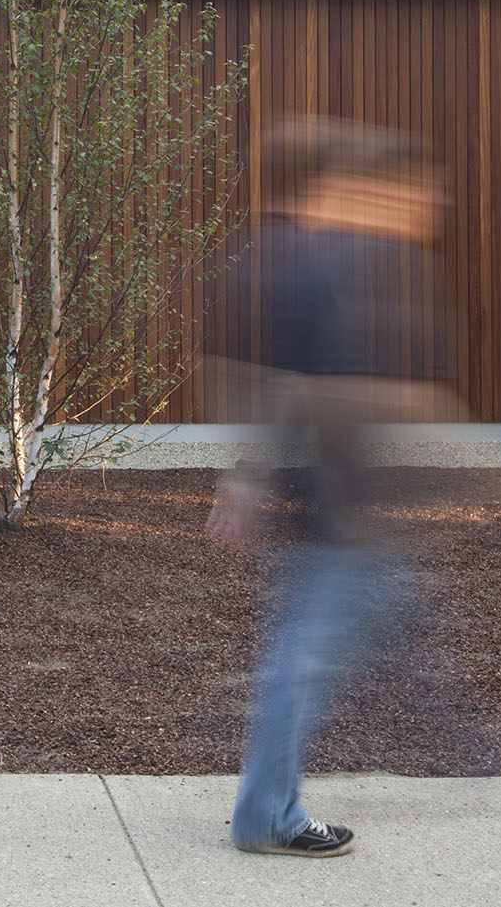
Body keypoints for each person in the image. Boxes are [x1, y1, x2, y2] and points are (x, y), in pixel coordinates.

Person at [207, 117, 456, 858]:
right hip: (333, 499)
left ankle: (467, 740)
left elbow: (245, 374)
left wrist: (245, 474)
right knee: (304, 653)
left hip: (320, 495)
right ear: (325, 183)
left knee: (358, 625)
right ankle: (267, 811)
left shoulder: (265, 253)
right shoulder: (314, 262)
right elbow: (306, 384)